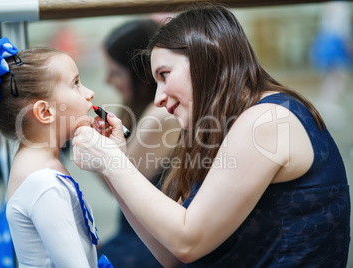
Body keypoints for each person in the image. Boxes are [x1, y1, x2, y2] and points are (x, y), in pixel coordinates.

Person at [72, 3, 351, 267]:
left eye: (165, 74)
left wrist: (113, 163)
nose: (158, 98)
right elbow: (171, 254)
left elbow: (187, 243)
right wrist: (116, 160)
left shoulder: (266, 121)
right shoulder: (224, 125)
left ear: (206, 58)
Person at [0, 37, 112, 267]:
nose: (89, 93)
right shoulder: (45, 185)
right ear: (44, 112)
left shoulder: (35, 163)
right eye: (76, 84)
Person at [98, 19, 179, 267]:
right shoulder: (139, 110)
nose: (107, 80)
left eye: (115, 72)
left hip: (150, 242)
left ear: (141, 74)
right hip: (139, 231)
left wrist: (93, 147)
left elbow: (121, 184)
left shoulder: (160, 117)